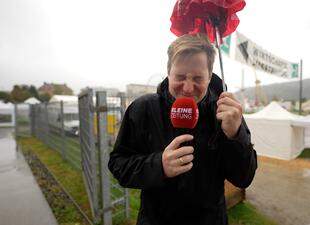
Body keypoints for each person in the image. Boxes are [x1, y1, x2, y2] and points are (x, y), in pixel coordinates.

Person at [108, 34, 257, 225]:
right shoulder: (142, 109)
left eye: (197, 78)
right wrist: (158, 165)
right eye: (180, 77)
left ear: (210, 76)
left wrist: (236, 136)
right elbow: (118, 165)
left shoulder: (226, 112)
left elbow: (244, 177)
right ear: (168, 71)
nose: (187, 88)